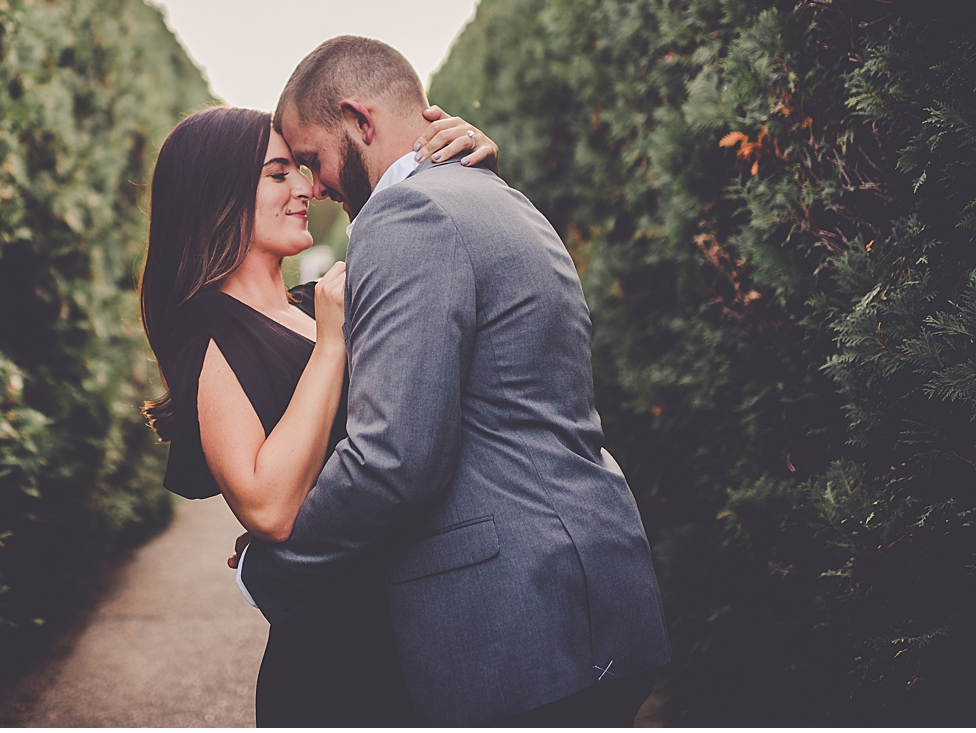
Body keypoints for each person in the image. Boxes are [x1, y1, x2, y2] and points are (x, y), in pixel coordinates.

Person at [235, 36, 672, 729]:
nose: (314, 188)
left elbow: (394, 458)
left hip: (517, 621)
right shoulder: (500, 196)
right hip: (590, 593)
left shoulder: (404, 216)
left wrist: (272, 566)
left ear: (360, 119)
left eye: (313, 160)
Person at [139, 98, 499, 727]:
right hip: (334, 664)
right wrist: (331, 346)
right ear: (216, 195)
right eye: (278, 174)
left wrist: (465, 169)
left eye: (299, 170)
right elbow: (269, 507)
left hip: (415, 634)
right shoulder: (207, 327)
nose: (304, 188)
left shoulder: (322, 301)